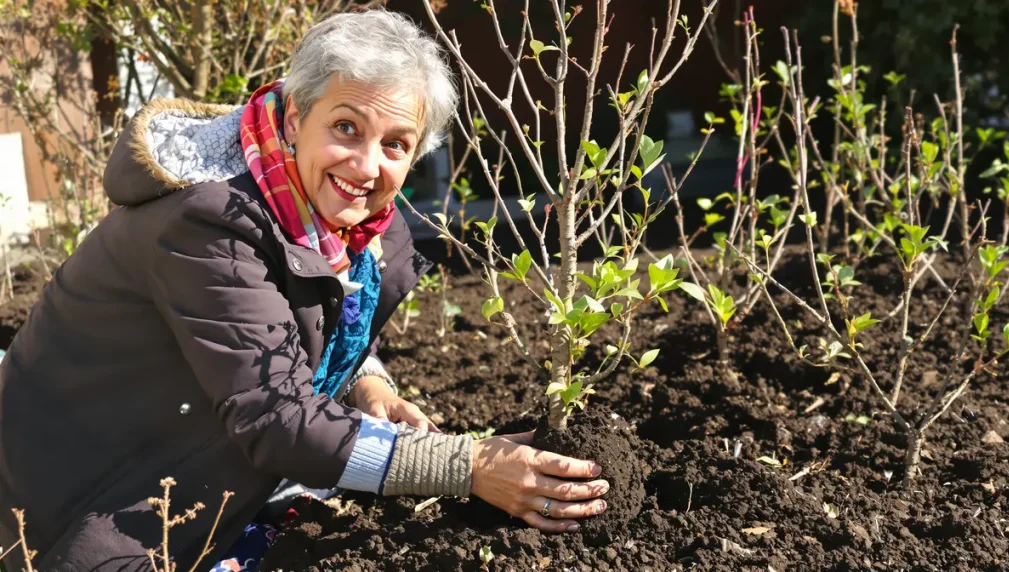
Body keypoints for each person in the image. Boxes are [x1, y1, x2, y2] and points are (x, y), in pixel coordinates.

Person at [0, 9, 609, 572]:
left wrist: (368, 384)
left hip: (196, 459)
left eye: (395, 143)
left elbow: (304, 319)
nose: (367, 166)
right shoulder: (210, 223)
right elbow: (275, 415)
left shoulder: (350, 219)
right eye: (346, 127)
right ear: (295, 118)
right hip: (77, 500)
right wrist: (467, 466)